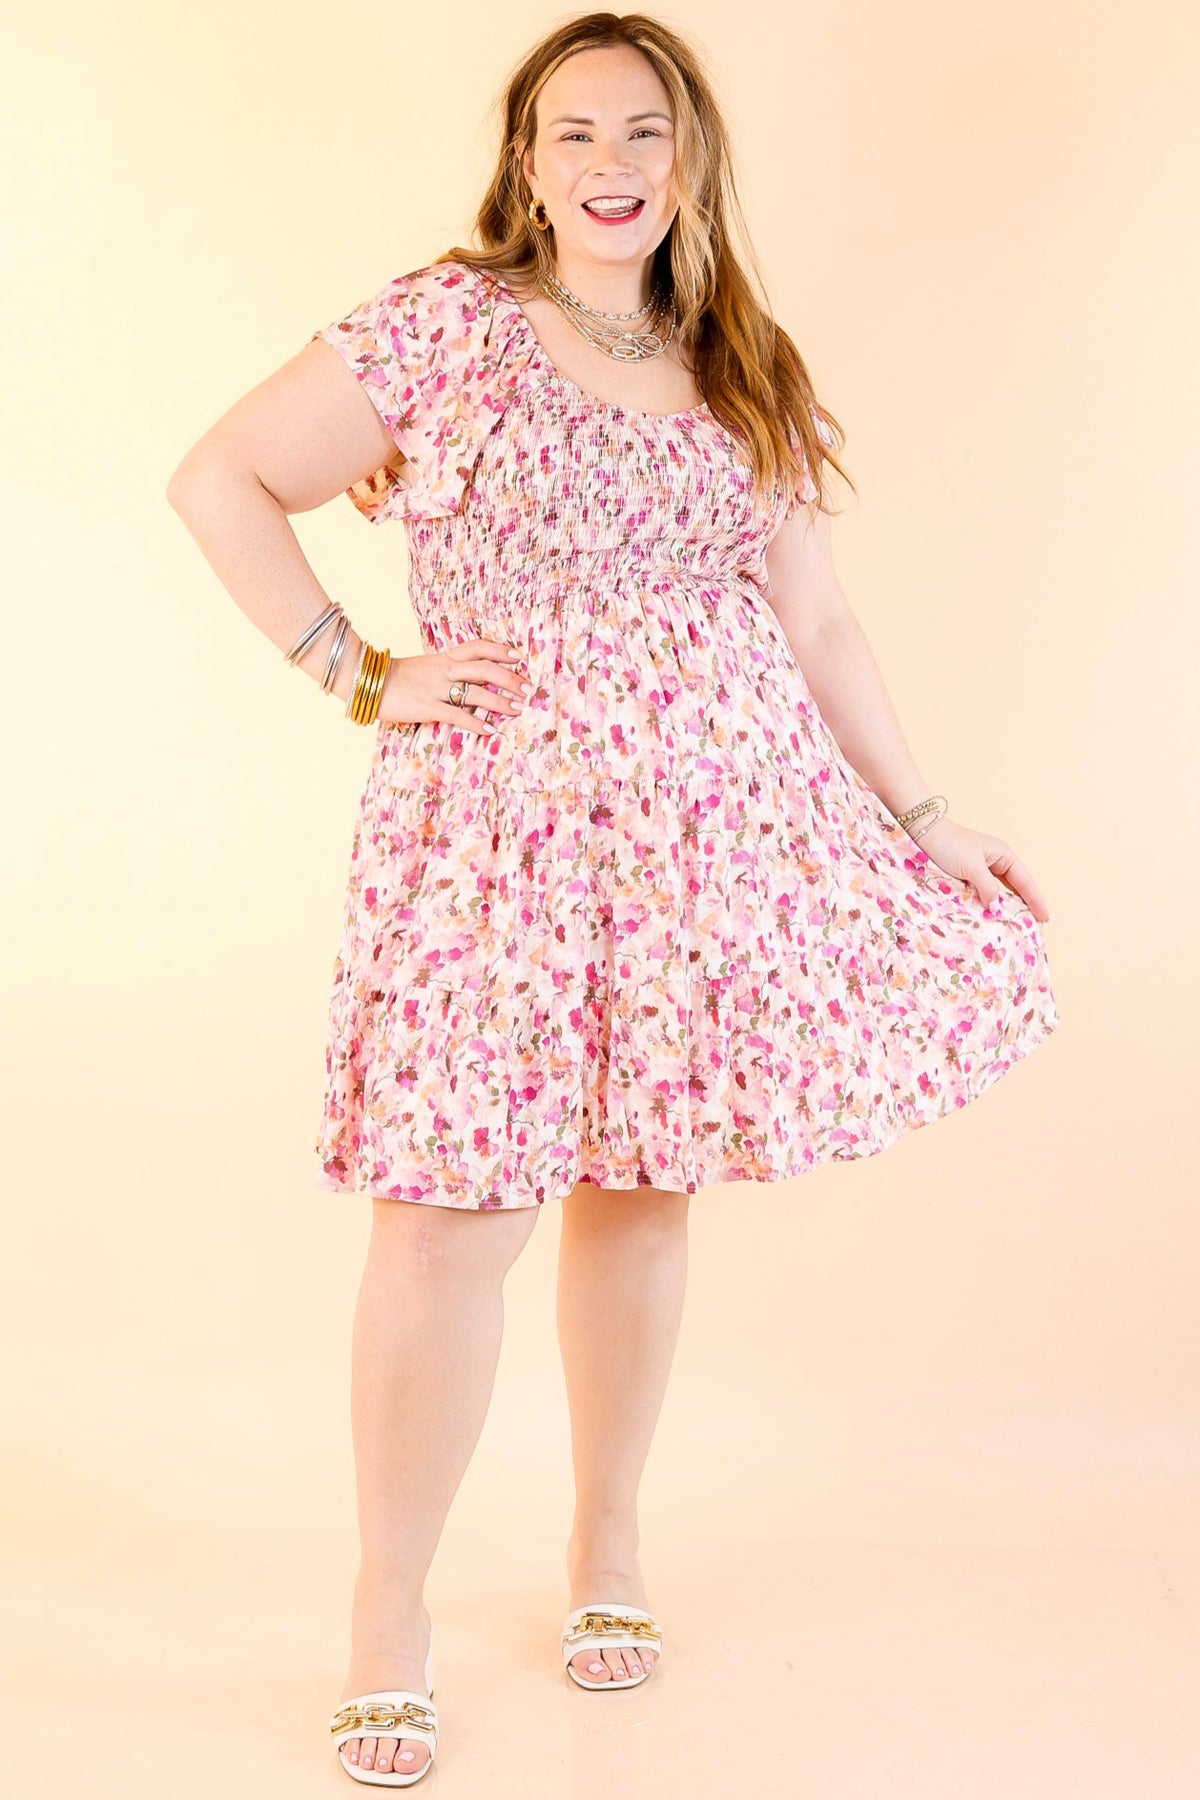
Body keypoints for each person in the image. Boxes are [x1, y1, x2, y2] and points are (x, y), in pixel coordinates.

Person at [167, 11, 1060, 1787]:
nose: (609, 163)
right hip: (495, 837)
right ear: (526, 162)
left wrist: (928, 813)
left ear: (689, 158)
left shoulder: (746, 361)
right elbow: (222, 478)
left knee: (641, 1189)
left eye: (643, 131)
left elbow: (818, 619)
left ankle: (609, 1542)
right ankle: (387, 1610)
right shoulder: (447, 327)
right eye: (573, 133)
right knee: (444, 1216)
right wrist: (356, 669)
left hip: (703, 839)